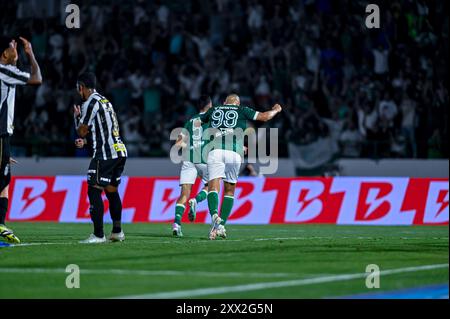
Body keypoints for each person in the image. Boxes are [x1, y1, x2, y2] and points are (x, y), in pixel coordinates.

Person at [200, 94, 282, 240]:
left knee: (213, 186)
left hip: (215, 151)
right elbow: (264, 117)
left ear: (225, 102)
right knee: (229, 191)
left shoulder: (215, 110)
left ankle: (214, 215)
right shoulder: (242, 110)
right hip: (234, 153)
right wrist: (276, 110)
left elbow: (201, 121)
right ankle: (221, 225)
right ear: (237, 103)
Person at [73, 72, 127, 244]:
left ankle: (98, 234)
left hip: (105, 153)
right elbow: (103, 129)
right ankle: (117, 232)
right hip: (119, 151)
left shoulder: (90, 103)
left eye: (78, 88)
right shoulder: (105, 101)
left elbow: (82, 130)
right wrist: (87, 141)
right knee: (111, 191)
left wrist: (76, 118)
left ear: (81, 87)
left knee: (93, 189)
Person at [0, 36, 42, 244]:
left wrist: (14, 59)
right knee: (2, 183)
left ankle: (0, 225)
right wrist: (30, 54)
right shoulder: (3, 73)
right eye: (10, 47)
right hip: (0, 134)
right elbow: (37, 78)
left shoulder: (6, 73)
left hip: (3, 137)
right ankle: (0, 225)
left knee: (4, 182)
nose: (13, 48)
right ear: (4, 54)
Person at [171, 96, 213, 237]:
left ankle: (177, 224)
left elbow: (178, 143)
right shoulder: (211, 119)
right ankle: (196, 200)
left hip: (188, 159)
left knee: (184, 193)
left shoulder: (190, 121)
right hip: (203, 158)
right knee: (211, 186)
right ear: (209, 105)